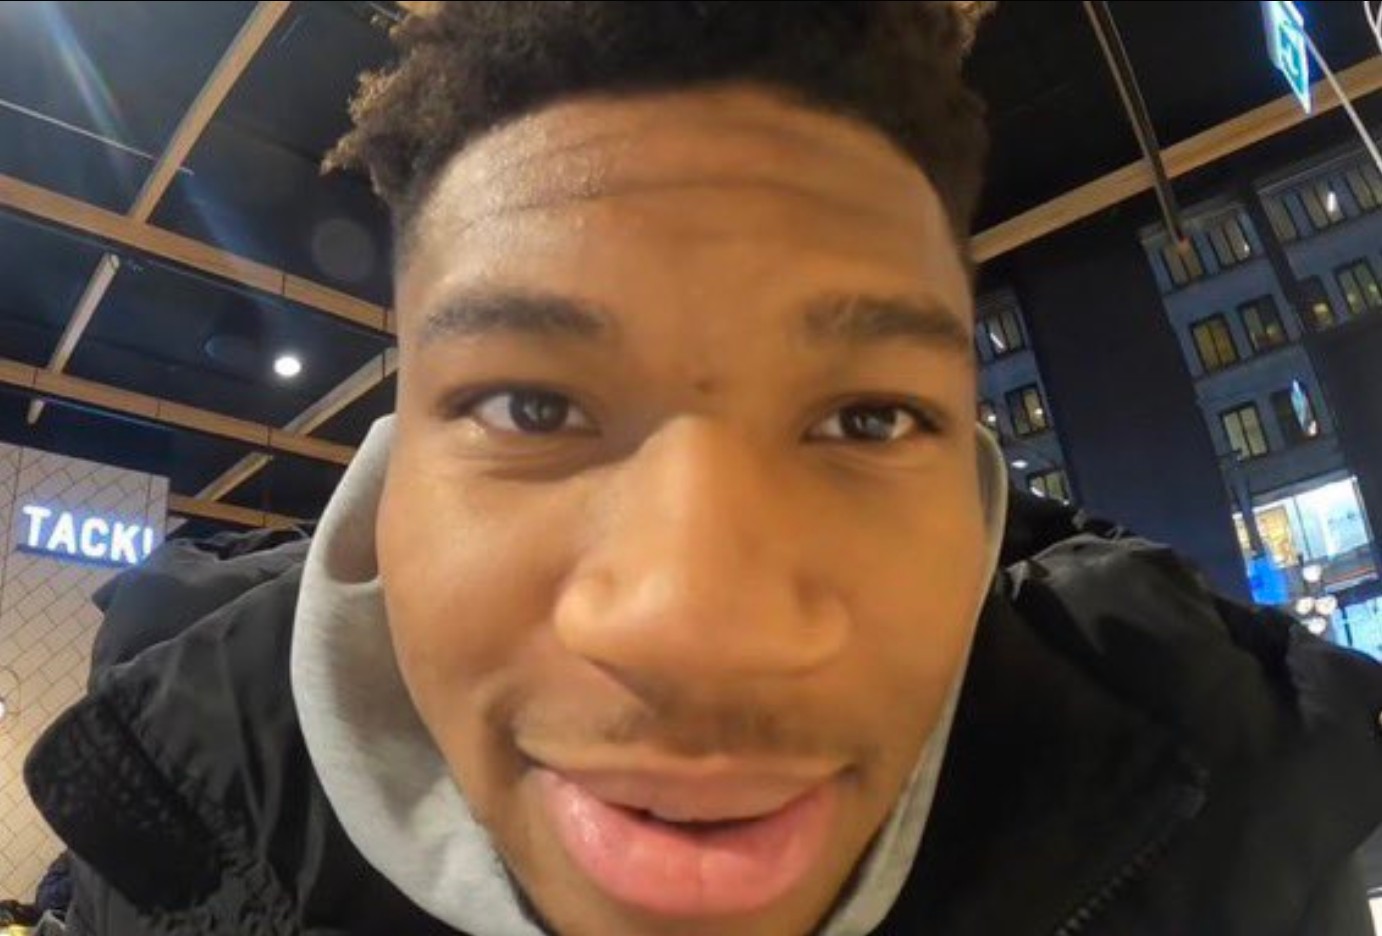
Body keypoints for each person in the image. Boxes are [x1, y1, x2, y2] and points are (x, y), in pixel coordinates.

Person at [23, 3, 1382, 934]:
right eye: (532, 405)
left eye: (867, 418)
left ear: (974, 497)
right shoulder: (170, 833)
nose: (695, 624)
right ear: (387, 496)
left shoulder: (1236, 830)